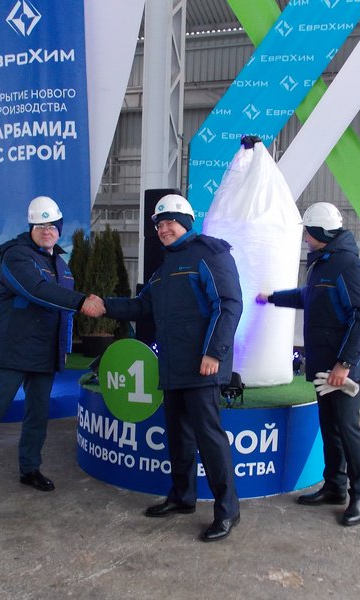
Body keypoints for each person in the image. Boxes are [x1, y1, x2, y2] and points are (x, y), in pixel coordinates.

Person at [92, 193, 243, 542]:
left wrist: (214, 353)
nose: (163, 229)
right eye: (159, 224)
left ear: (186, 222)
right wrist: (105, 306)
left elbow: (228, 305)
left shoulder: (209, 253)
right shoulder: (164, 268)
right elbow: (141, 306)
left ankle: (228, 510)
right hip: (173, 367)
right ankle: (182, 497)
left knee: (209, 439)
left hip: (203, 367)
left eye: (170, 222)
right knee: (179, 436)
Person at [0, 195, 104, 499]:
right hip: (14, 350)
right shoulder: (16, 256)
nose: (47, 231)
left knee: (38, 412)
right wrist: (81, 302)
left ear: (60, 228)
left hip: (45, 351)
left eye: (52, 226)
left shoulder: (61, 265)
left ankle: (30, 468)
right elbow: (36, 291)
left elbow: (61, 313)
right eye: (40, 226)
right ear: (31, 228)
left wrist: (63, 348)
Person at [257, 202, 360, 526]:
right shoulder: (323, 264)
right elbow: (309, 296)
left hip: (342, 370)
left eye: (308, 233)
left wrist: (345, 364)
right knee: (331, 428)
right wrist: (272, 298)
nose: (305, 238)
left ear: (319, 233)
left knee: (349, 430)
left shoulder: (348, 267)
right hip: (326, 368)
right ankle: (335, 486)